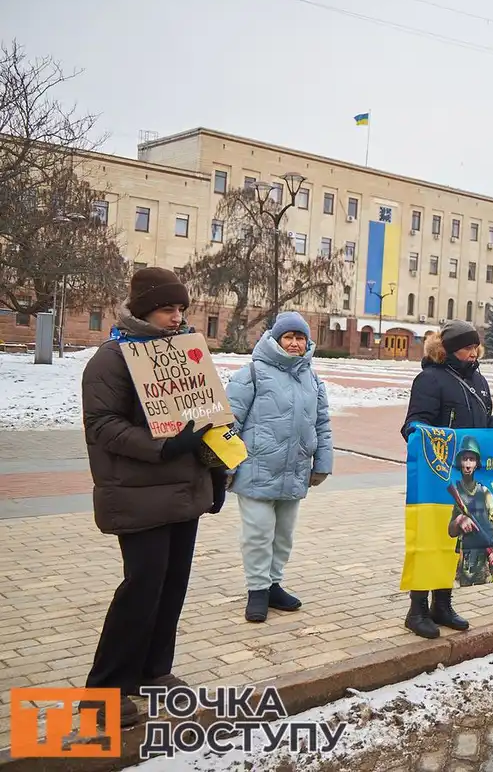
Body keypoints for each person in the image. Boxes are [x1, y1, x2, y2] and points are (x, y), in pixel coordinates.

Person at [81, 267, 225, 728]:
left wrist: (216, 469)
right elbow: (103, 427)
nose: (176, 316)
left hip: (185, 490)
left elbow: (208, 416)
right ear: (145, 309)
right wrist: (164, 445)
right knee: (141, 588)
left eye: (181, 308)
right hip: (139, 493)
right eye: (168, 308)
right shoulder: (112, 359)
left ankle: (153, 672)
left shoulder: (185, 354)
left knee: (172, 586)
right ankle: (104, 691)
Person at [401, 320, 493, 638]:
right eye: (467, 347)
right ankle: (417, 610)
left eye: (476, 346)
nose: (473, 352)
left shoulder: (478, 380)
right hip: (436, 479)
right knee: (432, 541)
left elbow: (486, 423)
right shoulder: (430, 380)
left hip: (467, 477)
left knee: (457, 543)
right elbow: (412, 424)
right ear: (449, 349)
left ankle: (443, 605)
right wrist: (423, 434)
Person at [225, 312, 332, 623]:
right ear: (276, 339)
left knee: (283, 535)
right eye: (289, 337)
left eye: (300, 337)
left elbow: (322, 423)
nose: (295, 343)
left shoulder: (312, 378)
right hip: (256, 470)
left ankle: (273, 585)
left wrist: (321, 463)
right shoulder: (253, 373)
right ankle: (257, 591)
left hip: (295, 471)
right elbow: (229, 422)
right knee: (258, 533)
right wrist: (226, 467)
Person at [447, 438, 493, 586]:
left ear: (477, 463)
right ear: (460, 463)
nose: (468, 465)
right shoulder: (456, 493)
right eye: (465, 459)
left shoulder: (485, 493)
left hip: (484, 560)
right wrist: (459, 521)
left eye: (472, 459)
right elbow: (451, 531)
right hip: (465, 561)